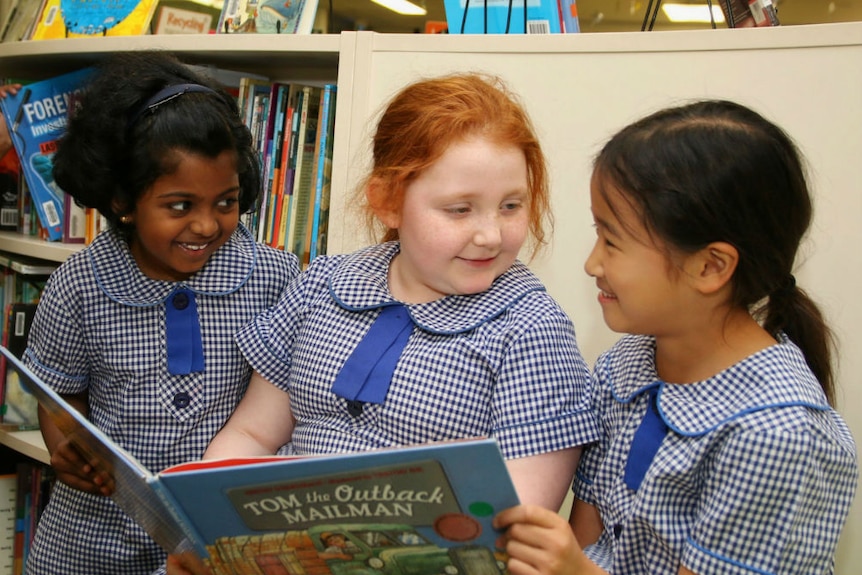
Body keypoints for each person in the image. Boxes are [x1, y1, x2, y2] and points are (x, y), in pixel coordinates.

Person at [493, 99, 858, 574]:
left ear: (710, 266)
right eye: (596, 232)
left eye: (613, 241)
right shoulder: (626, 366)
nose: (592, 264)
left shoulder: (777, 435)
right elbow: (591, 537)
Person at [23, 52, 301, 575]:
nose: (206, 226)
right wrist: (64, 446)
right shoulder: (79, 284)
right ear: (124, 200)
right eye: (179, 206)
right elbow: (61, 392)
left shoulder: (276, 278)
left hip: (211, 539)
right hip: (91, 539)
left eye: (226, 201)